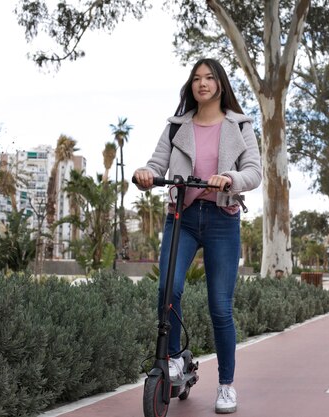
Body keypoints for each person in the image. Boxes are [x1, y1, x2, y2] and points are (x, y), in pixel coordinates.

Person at [133, 58, 262, 414]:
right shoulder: (177, 126)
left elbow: (253, 171)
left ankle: (226, 385)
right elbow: (157, 164)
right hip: (182, 217)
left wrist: (230, 179)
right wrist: (146, 173)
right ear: (191, 86)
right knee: (168, 288)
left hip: (222, 219)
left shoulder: (240, 125)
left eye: (209, 78)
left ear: (220, 84)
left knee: (220, 306)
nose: (202, 83)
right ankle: (173, 359)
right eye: (196, 78)